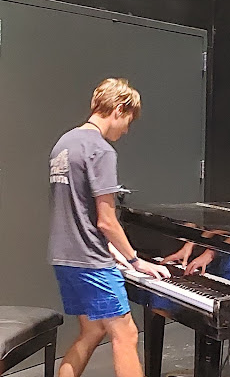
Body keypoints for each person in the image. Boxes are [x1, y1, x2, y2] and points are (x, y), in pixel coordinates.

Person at [48, 78, 171, 377]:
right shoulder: (100, 150)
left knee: (92, 331)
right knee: (126, 334)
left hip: (64, 256)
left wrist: (111, 250)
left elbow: (75, 209)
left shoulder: (64, 143)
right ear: (118, 109)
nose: (126, 130)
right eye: (128, 120)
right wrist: (133, 259)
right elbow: (106, 220)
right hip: (90, 261)